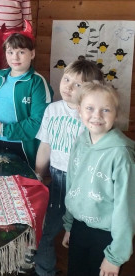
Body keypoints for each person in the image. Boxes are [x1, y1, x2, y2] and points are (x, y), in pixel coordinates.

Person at [33, 57, 104, 276]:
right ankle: (45, 270)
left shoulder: (92, 116)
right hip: (56, 179)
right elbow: (45, 146)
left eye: (78, 84)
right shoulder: (52, 110)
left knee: (76, 234)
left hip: (81, 183)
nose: (69, 87)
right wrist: (38, 175)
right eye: (66, 80)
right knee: (44, 230)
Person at [62, 82, 135, 276]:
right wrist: (69, 225)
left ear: (116, 114)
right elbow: (72, 185)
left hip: (107, 235)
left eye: (106, 110)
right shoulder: (80, 141)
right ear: (79, 110)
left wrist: (115, 257)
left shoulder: (122, 155)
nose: (97, 115)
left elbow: (126, 209)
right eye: (90, 108)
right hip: (79, 227)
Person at [0, 28, 52, 168]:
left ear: (32, 54)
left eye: (21, 52)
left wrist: (3, 130)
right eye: (10, 52)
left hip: (18, 147)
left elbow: (38, 122)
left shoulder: (37, 83)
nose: (15, 58)